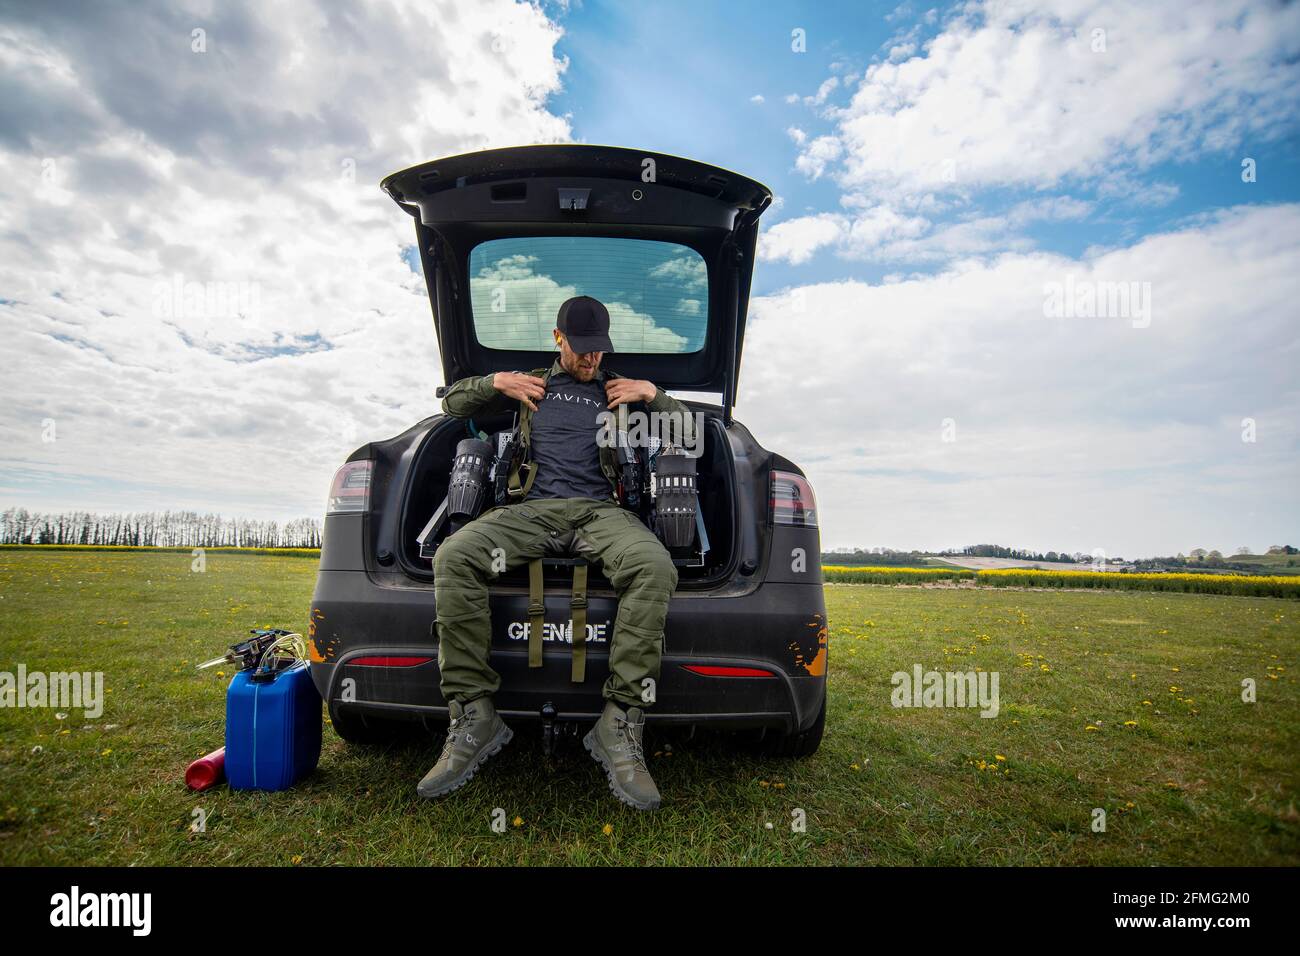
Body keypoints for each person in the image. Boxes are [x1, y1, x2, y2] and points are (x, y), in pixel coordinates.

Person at [418, 295, 696, 811]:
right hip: (533, 512)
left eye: (599, 352)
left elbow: (690, 432)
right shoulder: (531, 386)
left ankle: (618, 725)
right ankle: (475, 717)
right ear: (558, 339)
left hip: (600, 513)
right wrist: (495, 383)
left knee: (653, 566)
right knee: (454, 557)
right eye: (582, 351)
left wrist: (653, 394)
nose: (591, 361)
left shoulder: (621, 393)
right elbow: (452, 405)